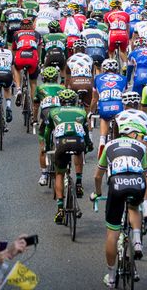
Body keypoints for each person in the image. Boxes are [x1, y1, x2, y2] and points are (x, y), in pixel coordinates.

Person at [90, 112, 147, 288]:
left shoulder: (109, 146)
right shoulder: (141, 147)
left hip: (117, 184)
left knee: (112, 233)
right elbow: (144, 173)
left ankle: (111, 275)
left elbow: (98, 175)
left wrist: (98, 192)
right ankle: (137, 240)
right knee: (133, 207)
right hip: (137, 182)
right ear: (132, 133)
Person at [48, 88, 91, 223]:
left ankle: (60, 208)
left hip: (62, 145)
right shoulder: (81, 112)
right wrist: (89, 145)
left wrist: (47, 148)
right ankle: (78, 183)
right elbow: (86, 133)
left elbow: (47, 132)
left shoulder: (53, 112)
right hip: (78, 143)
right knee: (79, 151)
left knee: (59, 174)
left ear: (60, 101)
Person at [92, 58, 128, 148]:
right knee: (118, 119)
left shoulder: (97, 78)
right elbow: (125, 96)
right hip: (118, 106)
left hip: (104, 105)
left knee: (104, 119)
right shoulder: (123, 78)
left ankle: (102, 140)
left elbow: (94, 98)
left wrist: (91, 110)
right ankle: (117, 140)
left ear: (103, 69)